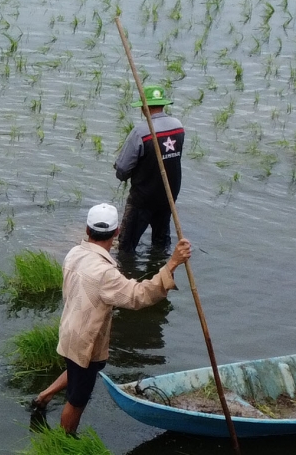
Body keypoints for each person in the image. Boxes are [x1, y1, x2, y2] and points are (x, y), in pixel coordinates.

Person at [30, 203, 191, 435]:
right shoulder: (106, 273)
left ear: (87, 230)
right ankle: (65, 440)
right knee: (77, 400)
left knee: (77, 370)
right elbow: (139, 296)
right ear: (117, 233)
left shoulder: (74, 253)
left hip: (69, 330)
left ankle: (43, 397)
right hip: (86, 341)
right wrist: (172, 263)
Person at [113, 84, 185, 253]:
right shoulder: (178, 126)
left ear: (144, 108)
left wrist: (121, 172)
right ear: (163, 105)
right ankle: (161, 271)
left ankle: (127, 274)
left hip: (143, 198)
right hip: (169, 194)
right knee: (161, 243)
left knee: (126, 245)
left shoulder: (140, 132)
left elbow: (123, 169)